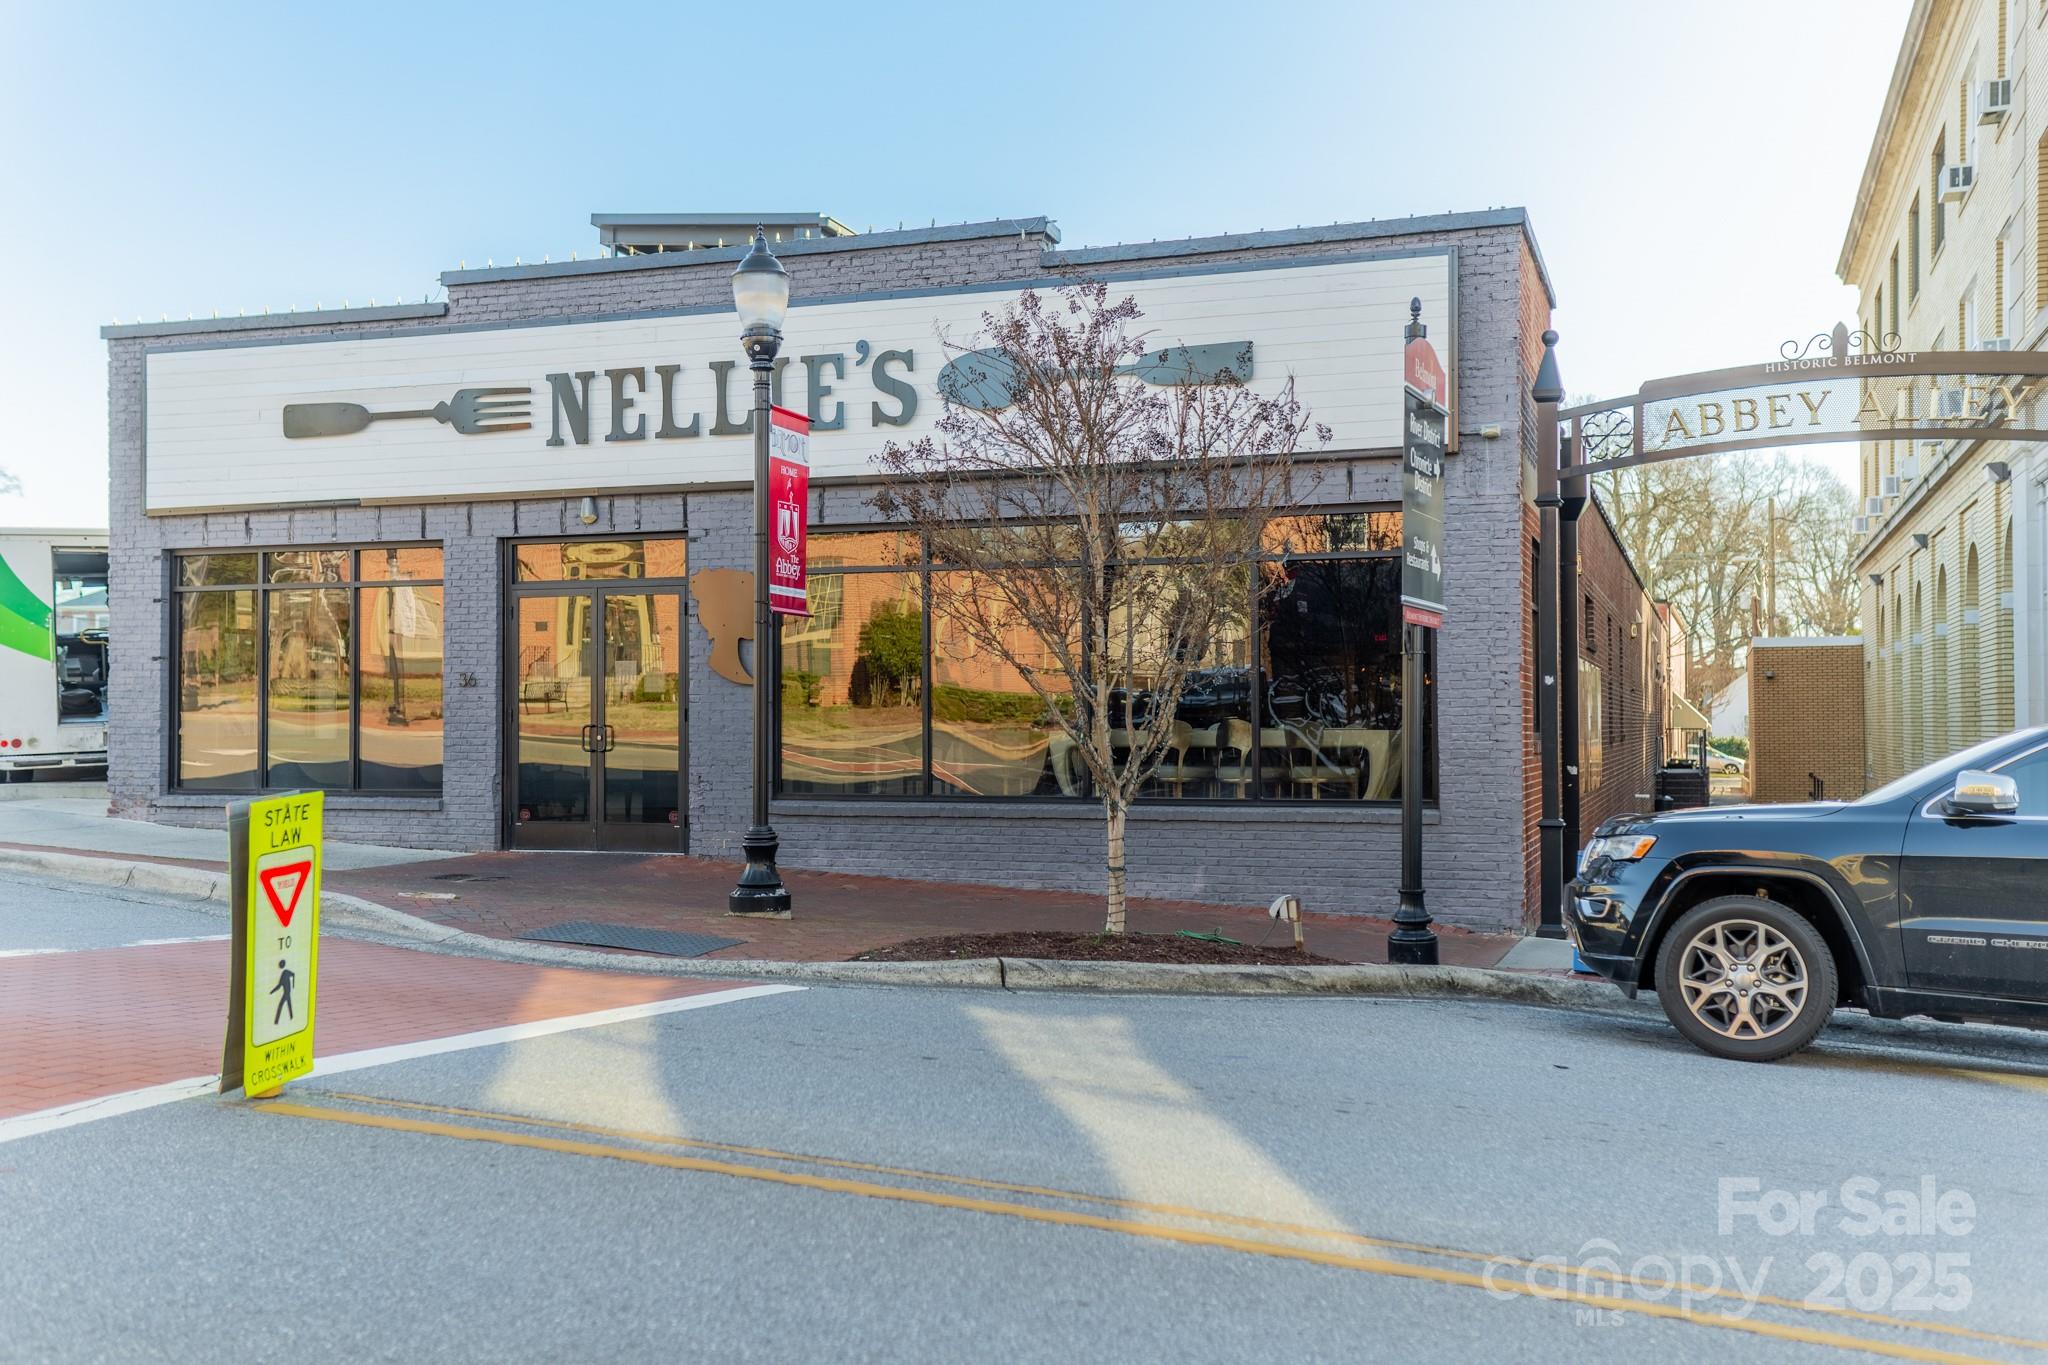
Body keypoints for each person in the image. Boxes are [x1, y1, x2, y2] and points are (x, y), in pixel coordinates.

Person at [270, 959, 297, 1025]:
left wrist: (293, 984)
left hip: (286, 994)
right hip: (287, 993)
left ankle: (276, 1021)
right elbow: (279, 986)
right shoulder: (285, 973)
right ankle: (291, 1017)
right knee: (289, 1005)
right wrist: (272, 992)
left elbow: (293, 974)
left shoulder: (285, 972)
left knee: (281, 1005)